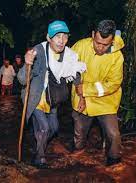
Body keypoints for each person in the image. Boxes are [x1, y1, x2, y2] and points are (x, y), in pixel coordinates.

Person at [17, 20, 86, 168]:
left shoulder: (70, 55)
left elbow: (76, 75)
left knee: (54, 128)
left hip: (53, 97)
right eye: (57, 36)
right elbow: (22, 80)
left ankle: (38, 144)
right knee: (44, 127)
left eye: (65, 36)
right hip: (35, 97)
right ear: (49, 38)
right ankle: (39, 158)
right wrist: (28, 63)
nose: (62, 41)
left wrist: (81, 97)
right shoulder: (39, 51)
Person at [70, 20, 124, 166]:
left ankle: (114, 164)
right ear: (93, 35)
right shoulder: (80, 46)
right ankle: (78, 156)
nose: (100, 47)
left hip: (106, 101)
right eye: (97, 42)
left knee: (113, 135)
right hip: (81, 100)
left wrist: (87, 90)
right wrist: (81, 96)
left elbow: (113, 84)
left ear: (112, 40)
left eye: (105, 45)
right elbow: (72, 68)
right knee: (79, 135)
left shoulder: (117, 57)